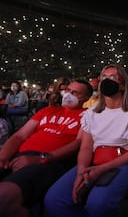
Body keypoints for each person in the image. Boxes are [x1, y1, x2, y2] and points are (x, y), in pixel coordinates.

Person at [45, 65, 128, 217]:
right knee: (54, 200)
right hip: (96, 160)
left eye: (113, 77)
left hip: (127, 161)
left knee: (98, 204)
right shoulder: (91, 113)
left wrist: (101, 170)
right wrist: (81, 171)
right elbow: (86, 147)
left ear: (122, 84)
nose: (107, 80)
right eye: (104, 77)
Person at [0, 79, 92, 217]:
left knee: (4, 197)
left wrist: (40, 159)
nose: (68, 95)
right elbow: (19, 136)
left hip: (50, 162)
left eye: (75, 93)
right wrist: (3, 156)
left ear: (86, 98)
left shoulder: (88, 115)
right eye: (67, 90)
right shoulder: (48, 110)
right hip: (20, 156)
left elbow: (78, 143)